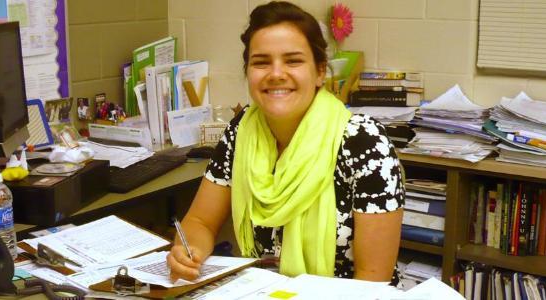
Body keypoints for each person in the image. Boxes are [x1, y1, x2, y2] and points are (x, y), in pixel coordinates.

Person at [166, 1, 405, 285]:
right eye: (261, 62)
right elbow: (200, 223)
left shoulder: (364, 143)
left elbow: (371, 281)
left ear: (319, 72)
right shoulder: (241, 131)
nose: (276, 73)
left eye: (293, 61)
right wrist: (188, 249)